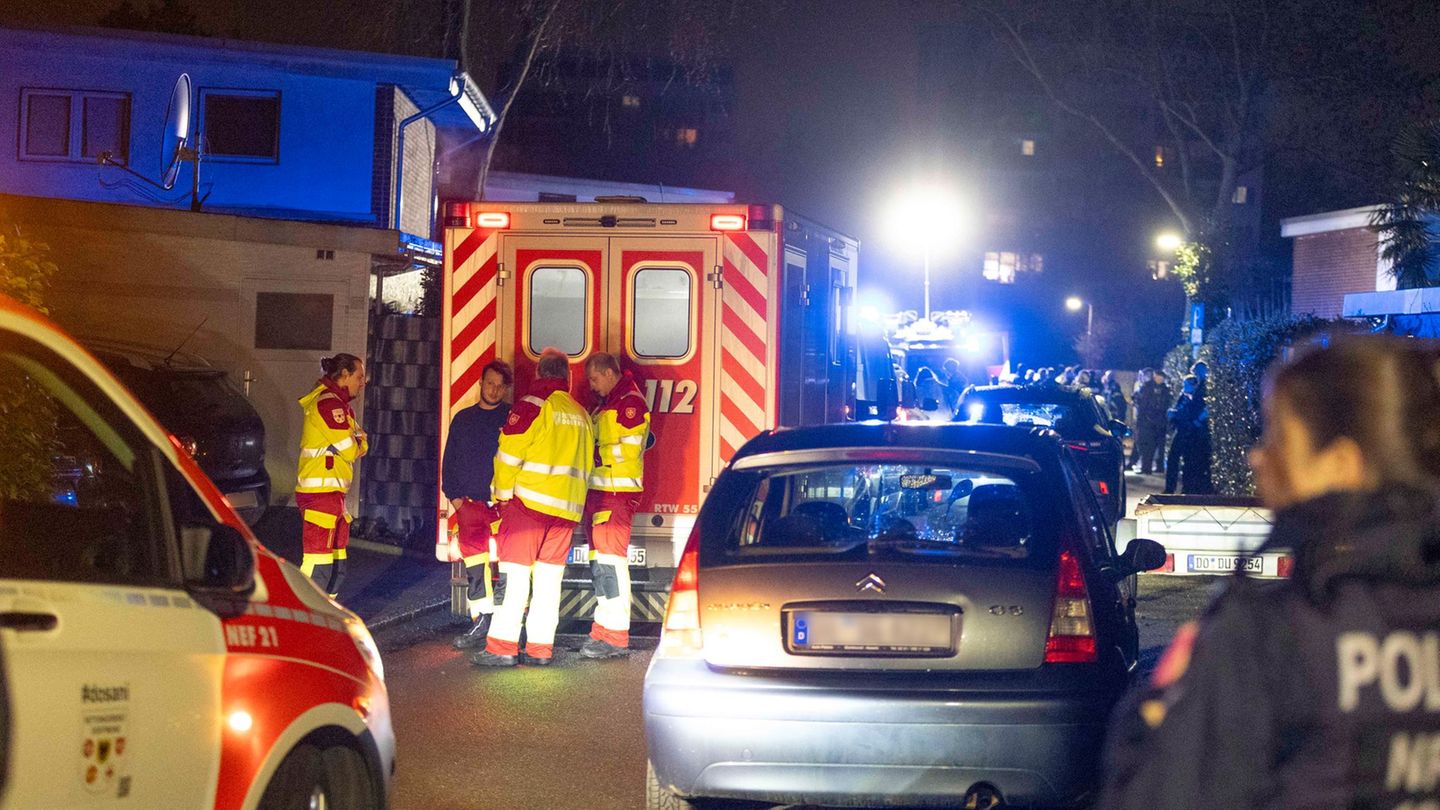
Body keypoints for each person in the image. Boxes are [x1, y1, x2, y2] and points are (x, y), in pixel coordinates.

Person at [1101, 336, 1440, 809]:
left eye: (1280, 437)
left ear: (1342, 466)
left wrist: (1154, 712)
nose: (1258, 457)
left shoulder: (1273, 628)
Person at [472, 349, 594, 667]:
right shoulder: (580, 413)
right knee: (549, 584)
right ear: (567, 377)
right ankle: (540, 649)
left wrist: (500, 496)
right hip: (566, 512)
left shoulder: (532, 406)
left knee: (515, 580)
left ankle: (502, 648)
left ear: (540, 373)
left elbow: (508, 456)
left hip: (527, 507)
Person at [579, 353, 652, 659]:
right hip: (602, 491)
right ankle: (603, 629)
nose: (593, 386)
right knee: (601, 564)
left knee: (611, 563)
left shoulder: (630, 403)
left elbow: (630, 450)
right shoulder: (609, 403)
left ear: (609, 373)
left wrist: (596, 454)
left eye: (595, 379)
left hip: (616, 492)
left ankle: (616, 634)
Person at [440, 359, 514, 650]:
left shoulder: (511, 418)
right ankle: (482, 621)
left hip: (502, 506)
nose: (494, 390)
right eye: (490, 383)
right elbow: (449, 463)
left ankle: (507, 625)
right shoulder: (463, 418)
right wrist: (457, 500)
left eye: (499, 386)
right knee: (475, 567)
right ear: (480, 384)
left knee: (510, 565)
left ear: (506, 389)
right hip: (469, 505)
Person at [295, 353, 368, 599]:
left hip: (334, 497)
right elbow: (352, 449)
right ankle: (303, 623)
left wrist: (358, 443)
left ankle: (327, 620)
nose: (362, 382)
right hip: (319, 497)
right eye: (359, 377)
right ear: (344, 375)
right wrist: (358, 443)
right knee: (319, 569)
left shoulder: (342, 406)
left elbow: (359, 445)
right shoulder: (329, 404)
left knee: (337, 570)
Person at [1163, 375, 1203, 494]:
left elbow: (1191, 414)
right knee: (1173, 459)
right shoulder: (1183, 397)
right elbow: (1180, 410)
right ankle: (1170, 487)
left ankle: (1188, 488)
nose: (1184, 387)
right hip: (1180, 431)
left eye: (1187, 385)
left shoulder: (1196, 399)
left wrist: (1177, 414)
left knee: (1189, 461)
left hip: (1191, 433)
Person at [1132, 369, 1170, 475]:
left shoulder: (1164, 389)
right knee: (1147, 446)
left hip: (1159, 422)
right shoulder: (1146, 387)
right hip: (1147, 421)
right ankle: (1146, 467)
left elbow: (1165, 403)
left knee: (1159, 446)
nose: (1160, 379)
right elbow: (1140, 401)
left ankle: (1158, 467)